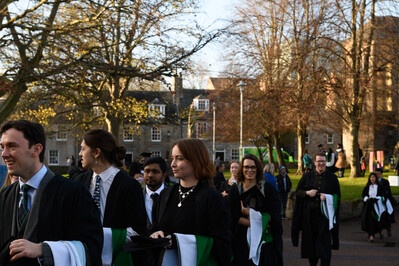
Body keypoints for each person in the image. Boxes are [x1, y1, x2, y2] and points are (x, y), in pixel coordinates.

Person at [0, 120, 103, 265]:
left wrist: (44, 249)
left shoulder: (73, 193)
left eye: (12, 147)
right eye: (2, 147)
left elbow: (91, 247)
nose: (4, 154)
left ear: (36, 149)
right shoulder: (4, 196)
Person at [150, 138, 232, 265]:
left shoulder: (212, 199)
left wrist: (179, 242)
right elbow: (153, 227)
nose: (172, 164)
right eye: (172, 158)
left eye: (180, 158)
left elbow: (221, 245)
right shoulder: (165, 194)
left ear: (196, 161)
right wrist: (155, 234)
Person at [74, 129, 147, 265]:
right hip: (83, 256)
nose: (80, 154)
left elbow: (138, 231)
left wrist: (101, 235)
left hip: (116, 258)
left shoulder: (129, 185)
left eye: (83, 149)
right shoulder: (79, 182)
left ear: (96, 153)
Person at [229, 154, 283, 265]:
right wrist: (252, 222)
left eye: (253, 167)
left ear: (257, 169)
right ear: (242, 169)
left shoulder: (267, 189)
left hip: (264, 239)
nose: (250, 170)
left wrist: (250, 213)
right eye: (246, 167)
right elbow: (232, 216)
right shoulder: (235, 189)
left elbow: (275, 214)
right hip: (241, 241)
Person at [291, 152, 341, 266]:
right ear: (314, 162)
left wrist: (328, 197)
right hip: (309, 219)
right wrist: (307, 193)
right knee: (311, 248)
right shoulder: (307, 177)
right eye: (319, 161)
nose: (321, 163)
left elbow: (338, 197)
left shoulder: (332, 178)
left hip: (325, 219)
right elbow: (298, 192)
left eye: (323, 161)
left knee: (325, 249)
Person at [360, 172, 391, 243]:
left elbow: (383, 196)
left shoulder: (379, 187)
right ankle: (371, 236)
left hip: (377, 207)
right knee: (369, 220)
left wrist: (378, 198)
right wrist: (366, 198)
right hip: (369, 206)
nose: (372, 179)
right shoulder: (367, 187)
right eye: (371, 177)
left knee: (377, 220)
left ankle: (379, 231)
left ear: (375, 178)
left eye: (373, 177)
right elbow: (364, 194)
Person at [143, 156, 168, 231]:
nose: (150, 175)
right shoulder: (136, 196)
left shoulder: (173, 195)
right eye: (147, 171)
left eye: (155, 172)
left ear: (164, 176)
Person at [375, 168, 395, 238]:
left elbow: (387, 192)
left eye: (378, 173)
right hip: (377, 201)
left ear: (381, 174)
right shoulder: (374, 181)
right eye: (376, 173)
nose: (377, 175)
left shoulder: (385, 182)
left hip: (384, 200)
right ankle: (380, 231)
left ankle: (388, 228)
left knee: (386, 216)